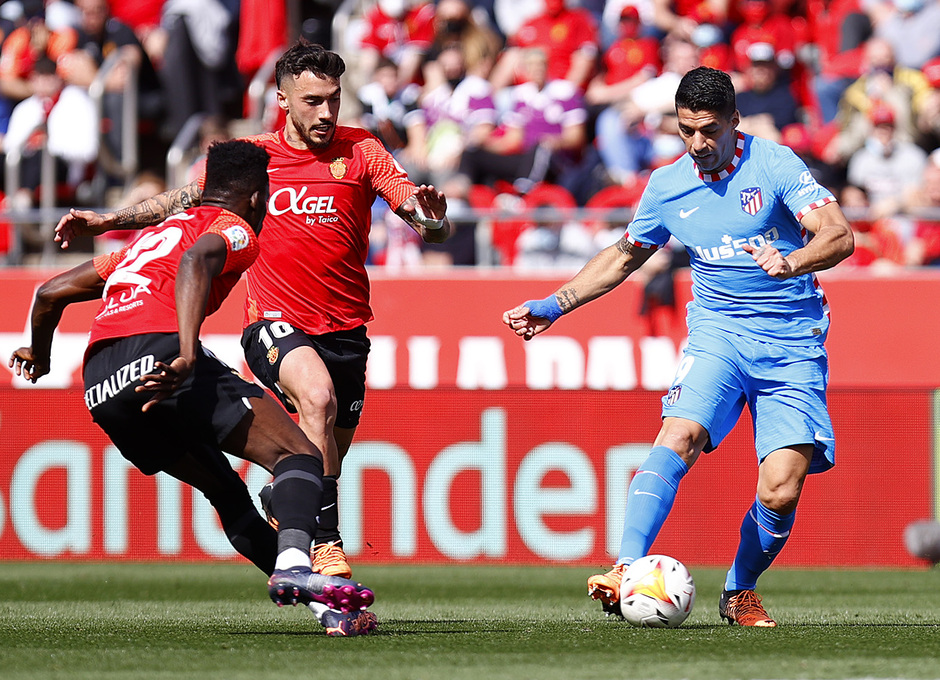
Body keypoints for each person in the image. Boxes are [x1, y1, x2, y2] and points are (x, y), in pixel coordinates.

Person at [54, 40, 452, 584]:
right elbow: (185, 198)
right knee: (317, 397)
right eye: (313, 101)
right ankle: (326, 545)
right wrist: (110, 219)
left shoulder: (363, 150)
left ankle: (286, 500)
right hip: (274, 320)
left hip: (347, 328)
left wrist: (432, 222)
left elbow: (416, 210)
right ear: (284, 99)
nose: (327, 113)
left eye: (334, 100)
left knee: (324, 452)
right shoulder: (255, 159)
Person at [503, 66, 855, 626]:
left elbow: (839, 235)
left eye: (708, 130)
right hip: (718, 333)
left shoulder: (776, 164)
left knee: (782, 488)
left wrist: (791, 261)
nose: (697, 143)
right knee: (680, 433)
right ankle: (624, 567)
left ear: (735, 121)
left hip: (792, 345)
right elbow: (625, 255)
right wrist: (554, 304)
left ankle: (738, 590)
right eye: (686, 130)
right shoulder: (668, 185)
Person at [10, 139, 377, 637]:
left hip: (100, 386)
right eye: (266, 193)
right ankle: (295, 561)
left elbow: (50, 293)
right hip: (162, 355)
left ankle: (328, 611)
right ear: (255, 197)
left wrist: (40, 353)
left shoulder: (147, 242)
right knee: (301, 457)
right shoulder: (236, 228)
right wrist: (184, 352)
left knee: (228, 494)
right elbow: (196, 263)